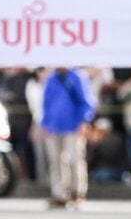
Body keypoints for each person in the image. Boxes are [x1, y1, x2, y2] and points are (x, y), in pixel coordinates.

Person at [39, 67, 97, 209]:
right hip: (54, 125)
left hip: (73, 125)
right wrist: (45, 123)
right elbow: (46, 103)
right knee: (56, 161)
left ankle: (78, 192)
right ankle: (59, 194)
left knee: (75, 159)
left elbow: (86, 102)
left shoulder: (77, 77)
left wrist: (84, 121)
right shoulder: (52, 78)